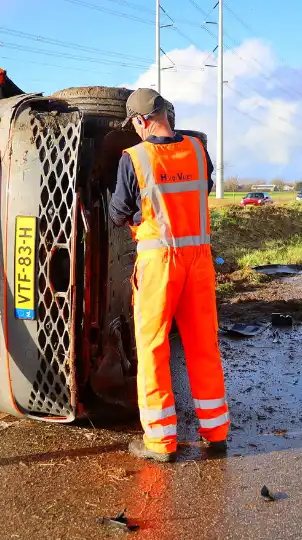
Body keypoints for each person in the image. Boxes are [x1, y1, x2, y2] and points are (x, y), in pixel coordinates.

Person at [109, 88, 230, 463]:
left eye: (135, 125)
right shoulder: (197, 150)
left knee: (153, 347)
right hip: (199, 262)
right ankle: (216, 430)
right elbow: (201, 190)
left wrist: (134, 215)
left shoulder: (135, 158)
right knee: (202, 344)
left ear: (143, 121)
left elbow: (117, 213)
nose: (136, 132)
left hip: (159, 263)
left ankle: (161, 442)